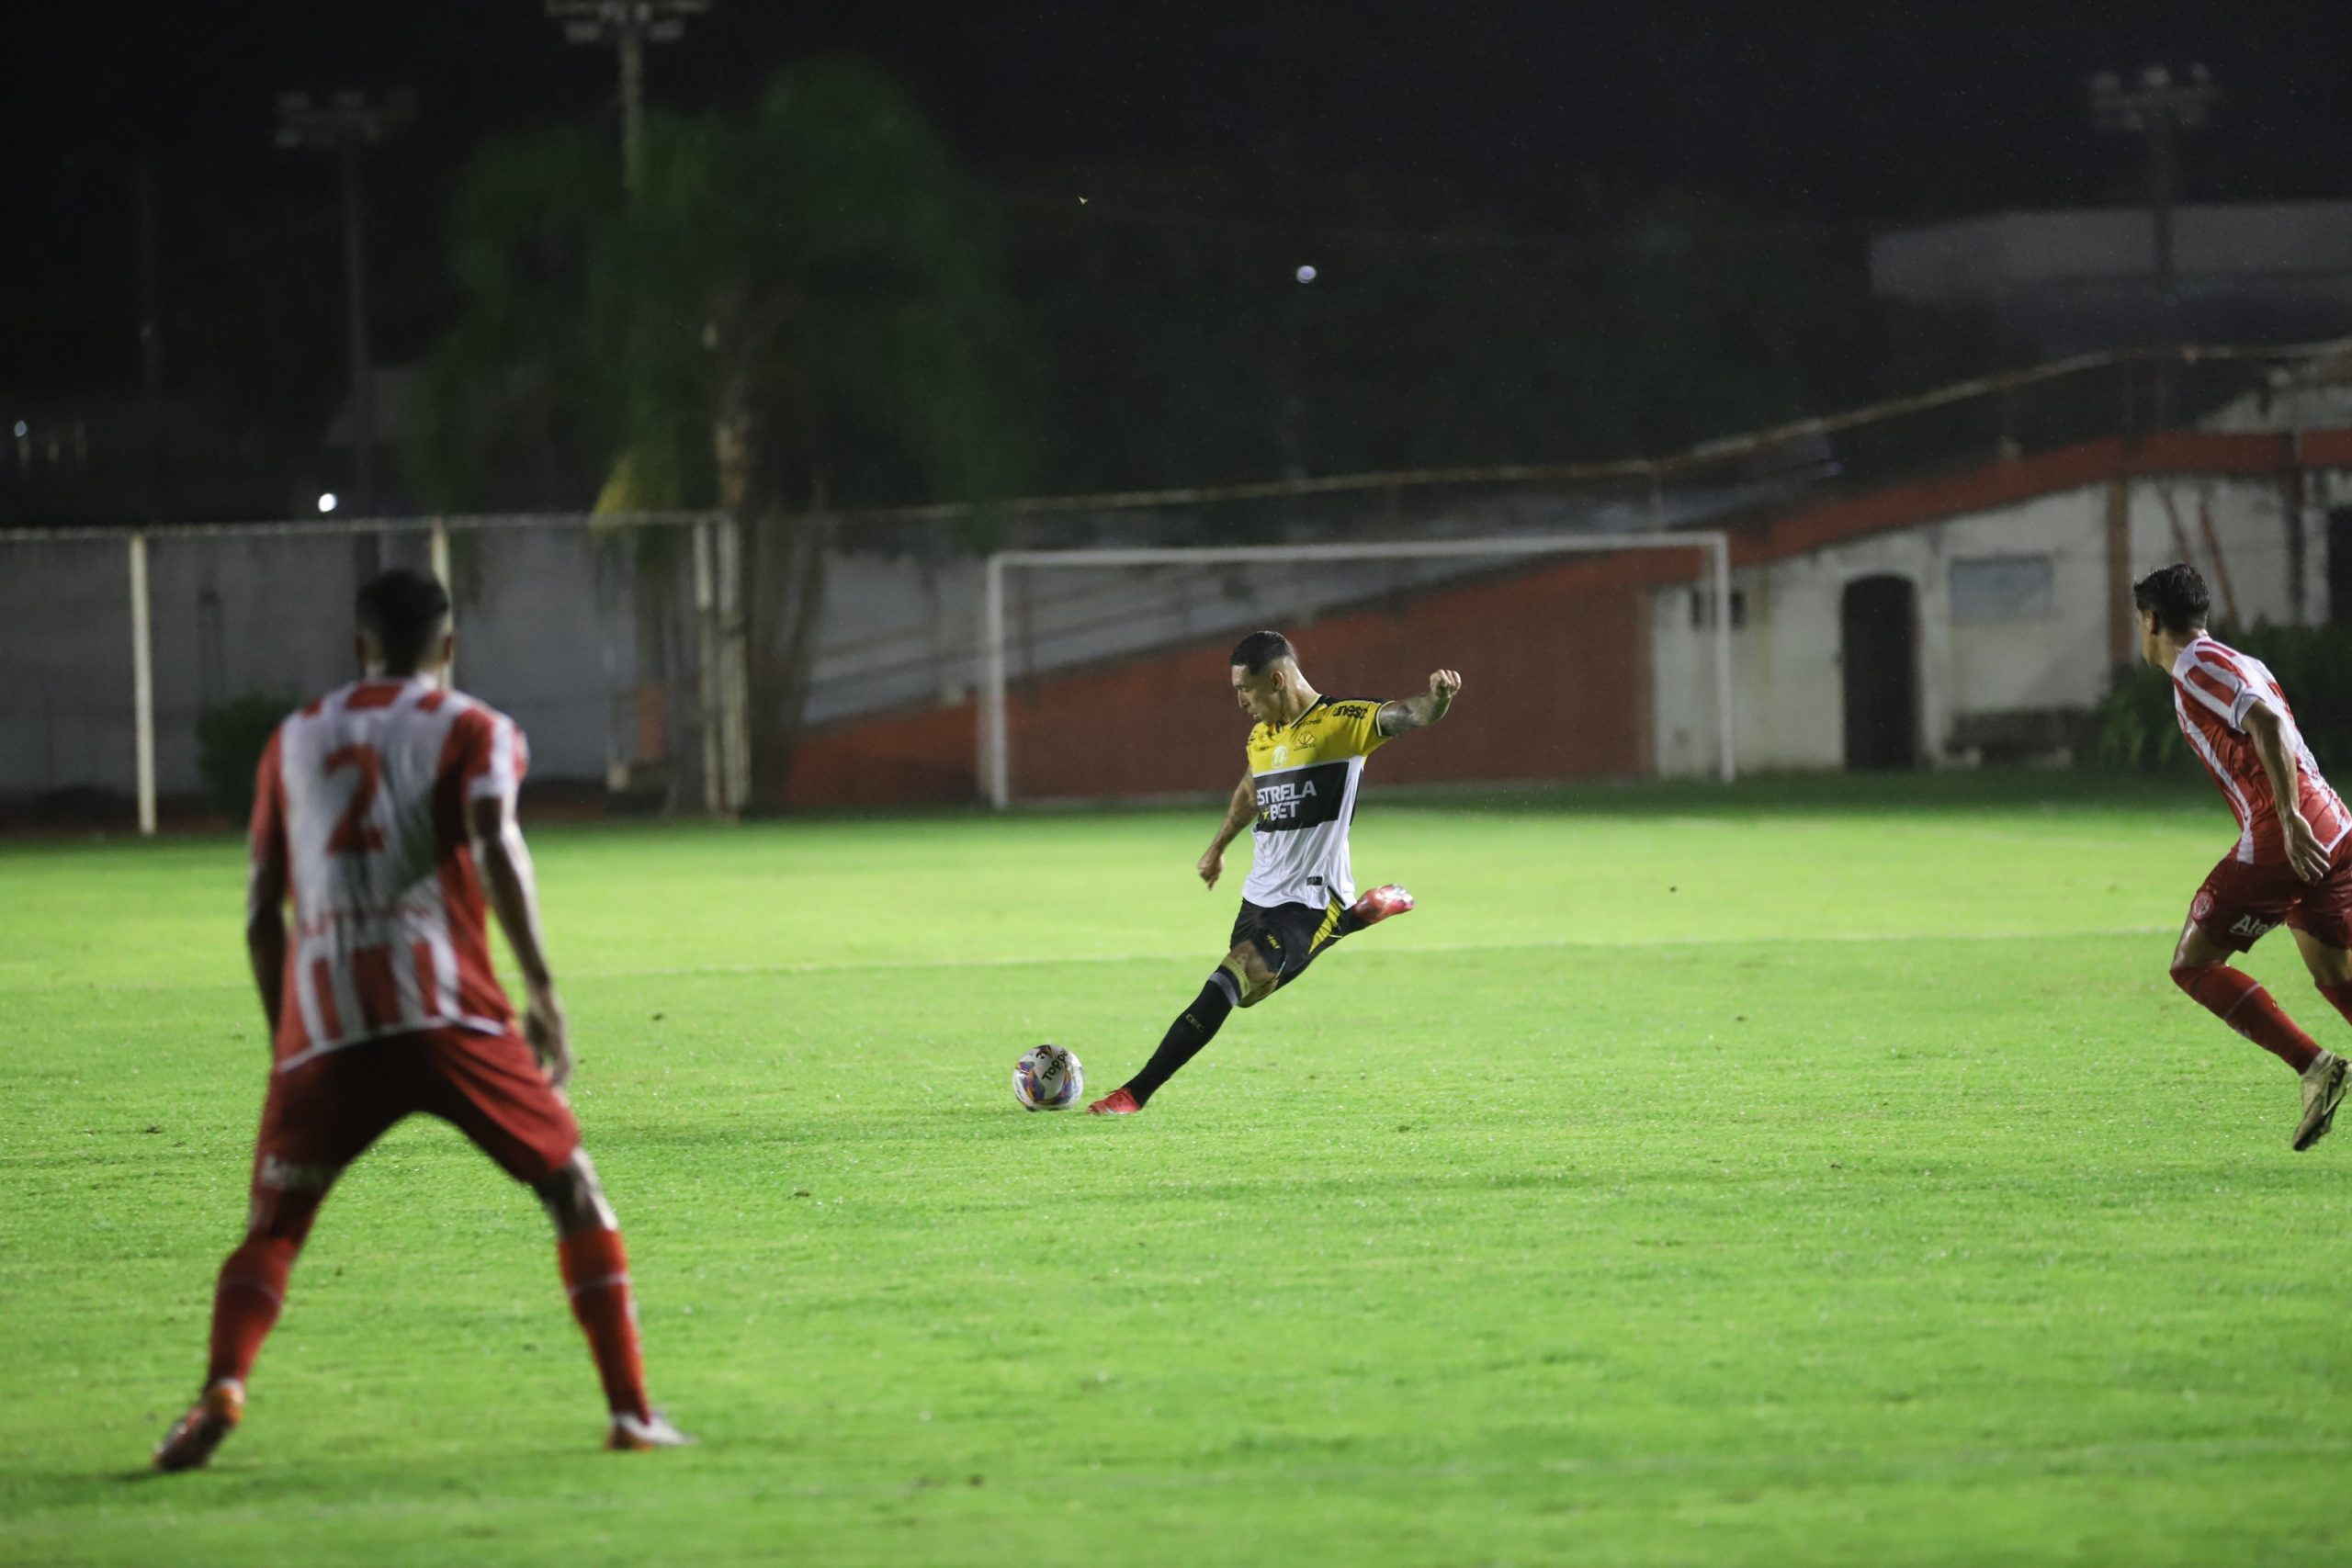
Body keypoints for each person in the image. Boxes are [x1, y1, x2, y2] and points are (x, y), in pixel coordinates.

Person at [153, 568, 686, 1471]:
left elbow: (257, 913)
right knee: (572, 1189)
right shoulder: (474, 728)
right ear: (447, 647)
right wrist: (545, 988)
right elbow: (494, 841)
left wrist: (290, 1041)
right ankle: (632, 1411)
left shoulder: (291, 742)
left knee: (274, 1231)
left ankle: (222, 1386)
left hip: (327, 1026)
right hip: (450, 1017)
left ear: (358, 647)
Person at [1089, 630, 1463, 1114]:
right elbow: (1250, 793)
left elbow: (1407, 715)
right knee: (1244, 995)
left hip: (1309, 901)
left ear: (1278, 679)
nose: (1241, 701)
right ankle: (1356, 917)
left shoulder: (1339, 724)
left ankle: (1133, 1093)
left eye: (1245, 689)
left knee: (1229, 978)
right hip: (1259, 896)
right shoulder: (1262, 737)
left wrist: (1438, 699)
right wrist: (1218, 846)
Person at [2138, 563, 2352, 1150]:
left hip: (2290, 830)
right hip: (2332, 821)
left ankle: (2316, 1066)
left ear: (2152, 621)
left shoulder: (2195, 665)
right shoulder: (2238, 659)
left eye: (2141, 621)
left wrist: (2287, 819)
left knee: (2193, 964)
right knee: (2334, 972)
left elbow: (2269, 724)